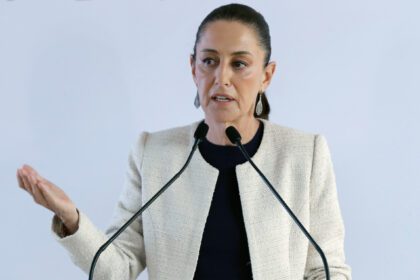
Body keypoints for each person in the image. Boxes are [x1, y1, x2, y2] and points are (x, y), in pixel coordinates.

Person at [16, 3, 352, 280]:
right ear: (193, 68)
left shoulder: (304, 155)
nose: (221, 78)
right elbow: (115, 269)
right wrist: (72, 219)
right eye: (209, 61)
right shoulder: (154, 154)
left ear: (267, 74)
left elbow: (328, 270)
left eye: (239, 64)